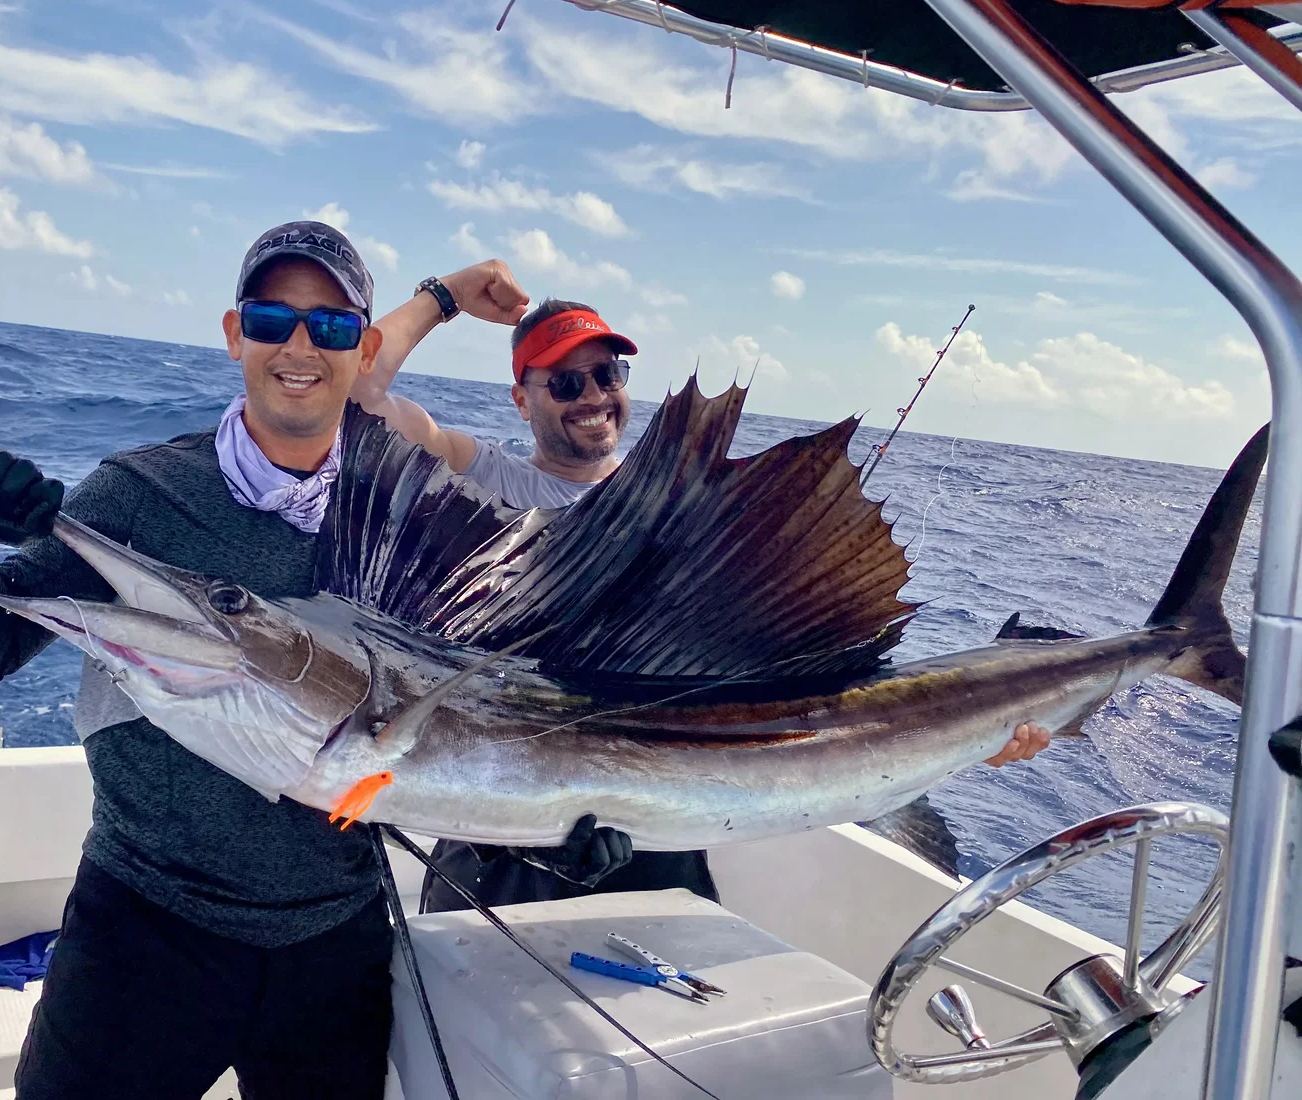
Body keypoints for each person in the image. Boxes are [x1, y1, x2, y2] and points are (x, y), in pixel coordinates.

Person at [0, 221, 522, 1100]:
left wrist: (566, 825)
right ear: (236, 334)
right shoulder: (139, 493)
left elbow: (470, 723)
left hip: (335, 941)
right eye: (273, 319)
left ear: (362, 351)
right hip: (144, 926)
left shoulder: (403, 518)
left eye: (329, 326)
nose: (299, 346)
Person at [352, 286, 1054, 913]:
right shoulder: (485, 485)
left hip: (664, 826)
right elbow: (357, 399)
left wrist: (978, 730)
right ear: (520, 399)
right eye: (565, 382)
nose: (593, 396)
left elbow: (807, 676)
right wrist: (444, 296)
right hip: (500, 819)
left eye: (607, 374)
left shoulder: (686, 505)